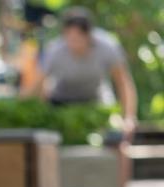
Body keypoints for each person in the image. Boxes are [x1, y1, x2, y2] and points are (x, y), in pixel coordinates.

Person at [23, 6, 138, 139]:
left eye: (78, 38)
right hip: (61, 103)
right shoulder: (55, 50)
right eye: (70, 38)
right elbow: (38, 84)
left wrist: (129, 117)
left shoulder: (107, 46)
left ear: (89, 35)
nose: (74, 44)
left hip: (98, 102)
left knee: (119, 139)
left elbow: (123, 82)